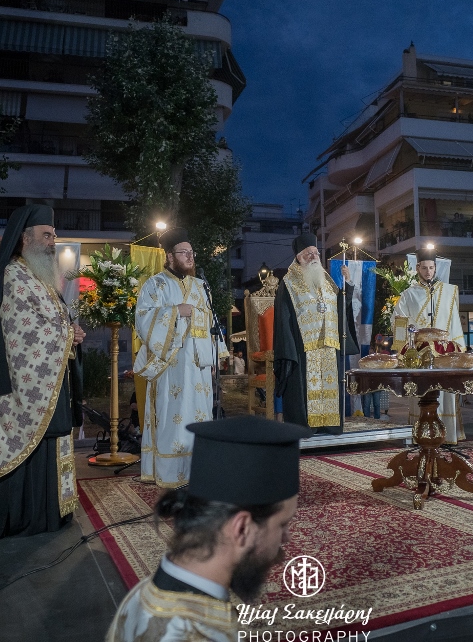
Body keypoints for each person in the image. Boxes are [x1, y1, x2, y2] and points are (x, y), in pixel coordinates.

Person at [106, 416, 311, 642]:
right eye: (282, 524)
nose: (286, 538)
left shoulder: (140, 595)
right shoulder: (203, 635)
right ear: (242, 528)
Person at [0, 205, 85, 538]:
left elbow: (53, 323)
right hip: (21, 387)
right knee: (31, 448)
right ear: (25, 239)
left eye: (54, 235)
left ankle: (51, 516)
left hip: (50, 379)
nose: (52, 242)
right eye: (47, 235)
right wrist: (67, 334)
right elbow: (23, 333)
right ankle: (27, 519)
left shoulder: (41, 277)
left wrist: (71, 331)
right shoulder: (14, 274)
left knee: (52, 442)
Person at [133, 228, 226, 488]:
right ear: (170, 256)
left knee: (200, 417)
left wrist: (216, 356)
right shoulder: (155, 284)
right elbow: (143, 319)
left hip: (199, 367)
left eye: (191, 252)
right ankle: (171, 474)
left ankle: (199, 470)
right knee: (172, 418)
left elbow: (211, 321)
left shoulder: (200, 286)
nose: (190, 257)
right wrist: (175, 311)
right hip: (171, 367)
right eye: (183, 252)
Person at [273, 233, 359, 435]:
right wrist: (288, 350)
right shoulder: (289, 282)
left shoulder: (326, 280)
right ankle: (307, 427)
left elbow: (339, 308)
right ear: (298, 257)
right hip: (303, 347)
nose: (313, 257)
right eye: (308, 254)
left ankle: (328, 425)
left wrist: (348, 284)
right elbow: (283, 318)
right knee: (305, 390)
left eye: (315, 253)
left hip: (328, 344)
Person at [392, 250, 465, 442]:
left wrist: (459, 348)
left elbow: (454, 322)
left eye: (431, 268)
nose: (428, 271)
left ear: (435, 268)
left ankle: (446, 435)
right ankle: (422, 434)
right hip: (419, 353)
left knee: (445, 393)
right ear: (418, 268)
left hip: (443, 352)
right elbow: (397, 320)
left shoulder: (447, 292)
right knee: (421, 392)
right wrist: (411, 335)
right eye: (424, 268)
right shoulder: (408, 294)